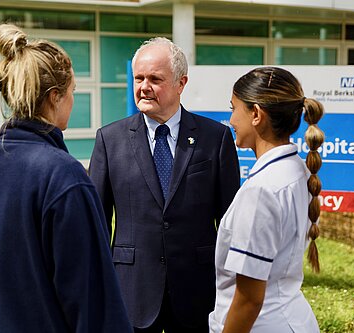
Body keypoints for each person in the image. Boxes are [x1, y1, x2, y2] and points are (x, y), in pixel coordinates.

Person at [0, 24, 132, 333]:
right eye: (72, 92)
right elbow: (92, 301)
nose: (73, 101)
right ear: (55, 96)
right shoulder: (64, 175)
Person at [88, 37, 240, 333]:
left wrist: (231, 285)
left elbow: (230, 222)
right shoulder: (110, 139)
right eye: (138, 78)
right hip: (132, 292)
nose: (144, 87)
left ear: (180, 83)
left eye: (155, 79)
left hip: (198, 292)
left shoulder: (215, 138)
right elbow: (97, 223)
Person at [209, 67, 324, 333]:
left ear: (256, 114)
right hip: (292, 318)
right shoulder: (299, 170)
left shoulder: (261, 190)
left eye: (234, 108)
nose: (231, 119)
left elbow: (249, 299)